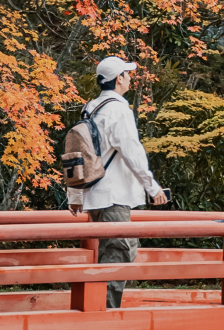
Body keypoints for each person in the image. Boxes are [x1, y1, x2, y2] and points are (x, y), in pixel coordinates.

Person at [67, 56, 168, 308]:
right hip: (113, 194)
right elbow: (131, 151)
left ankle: (99, 309)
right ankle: (104, 314)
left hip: (93, 192)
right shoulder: (118, 109)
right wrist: (152, 187)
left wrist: (76, 196)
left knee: (111, 250)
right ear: (119, 78)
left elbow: (78, 154)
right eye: (127, 73)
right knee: (120, 251)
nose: (130, 77)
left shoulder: (90, 107)